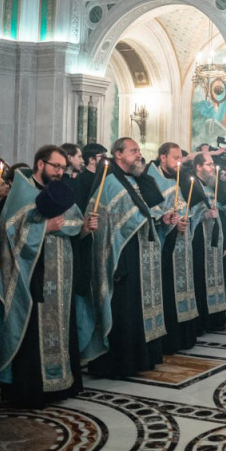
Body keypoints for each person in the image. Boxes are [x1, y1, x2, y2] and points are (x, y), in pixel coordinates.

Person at [0, 145, 96, 407]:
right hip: (33, 274)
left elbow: (71, 228)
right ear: (40, 164)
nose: (60, 171)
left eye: (63, 167)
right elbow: (8, 231)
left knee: (62, 326)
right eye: (56, 166)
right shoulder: (22, 191)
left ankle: (62, 384)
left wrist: (84, 228)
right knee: (34, 332)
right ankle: (33, 390)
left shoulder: (62, 191)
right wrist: (43, 228)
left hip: (62, 274)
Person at [83, 138, 167, 379]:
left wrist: (160, 218)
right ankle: (121, 361)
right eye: (133, 151)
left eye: (139, 150)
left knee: (140, 306)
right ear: (118, 155)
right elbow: (109, 220)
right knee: (125, 307)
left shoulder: (135, 179)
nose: (138, 155)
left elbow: (150, 208)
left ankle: (144, 357)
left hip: (141, 253)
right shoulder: (110, 183)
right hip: (121, 255)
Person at [144, 143, 198, 354]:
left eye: (180, 158)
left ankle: (183, 336)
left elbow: (184, 205)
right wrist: (167, 220)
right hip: (161, 243)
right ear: (162, 157)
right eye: (175, 158)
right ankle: (167, 338)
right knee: (165, 289)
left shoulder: (179, 178)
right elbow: (149, 209)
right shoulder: (150, 179)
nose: (179, 162)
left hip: (180, 240)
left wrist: (184, 220)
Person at [189, 153, 226, 333]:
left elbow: (221, 215)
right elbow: (187, 213)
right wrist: (203, 215)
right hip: (199, 242)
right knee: (201, 280)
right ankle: (204, 321)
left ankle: (216, 319)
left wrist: (224, 242)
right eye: (209, 164)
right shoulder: (191, 185)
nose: (213, 168)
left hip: (215, 241)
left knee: (216, 279)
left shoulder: (210, 186)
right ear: (198, 167)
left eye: (213, 165)